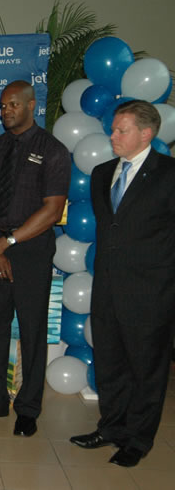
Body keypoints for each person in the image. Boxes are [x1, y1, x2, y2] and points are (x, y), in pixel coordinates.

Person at [0, 81, 70, 438]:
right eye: (2, 106)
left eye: (12, 105)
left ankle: (28, 408)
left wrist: (6, 243)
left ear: (31, 106)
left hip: (31, 249)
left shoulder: (53, 150)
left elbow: (52, 211)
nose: (5, 111)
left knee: (33, 331)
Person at [70, 100, 175, 467]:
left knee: (146, 369)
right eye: (113, 129)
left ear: (146, 134)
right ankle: (111, 427)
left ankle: (138, 439)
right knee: (110, 362)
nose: (112, 135)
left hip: (151, 292)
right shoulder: (101, 173)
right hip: (107, 289)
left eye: (121, 130)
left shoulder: (168, 174)